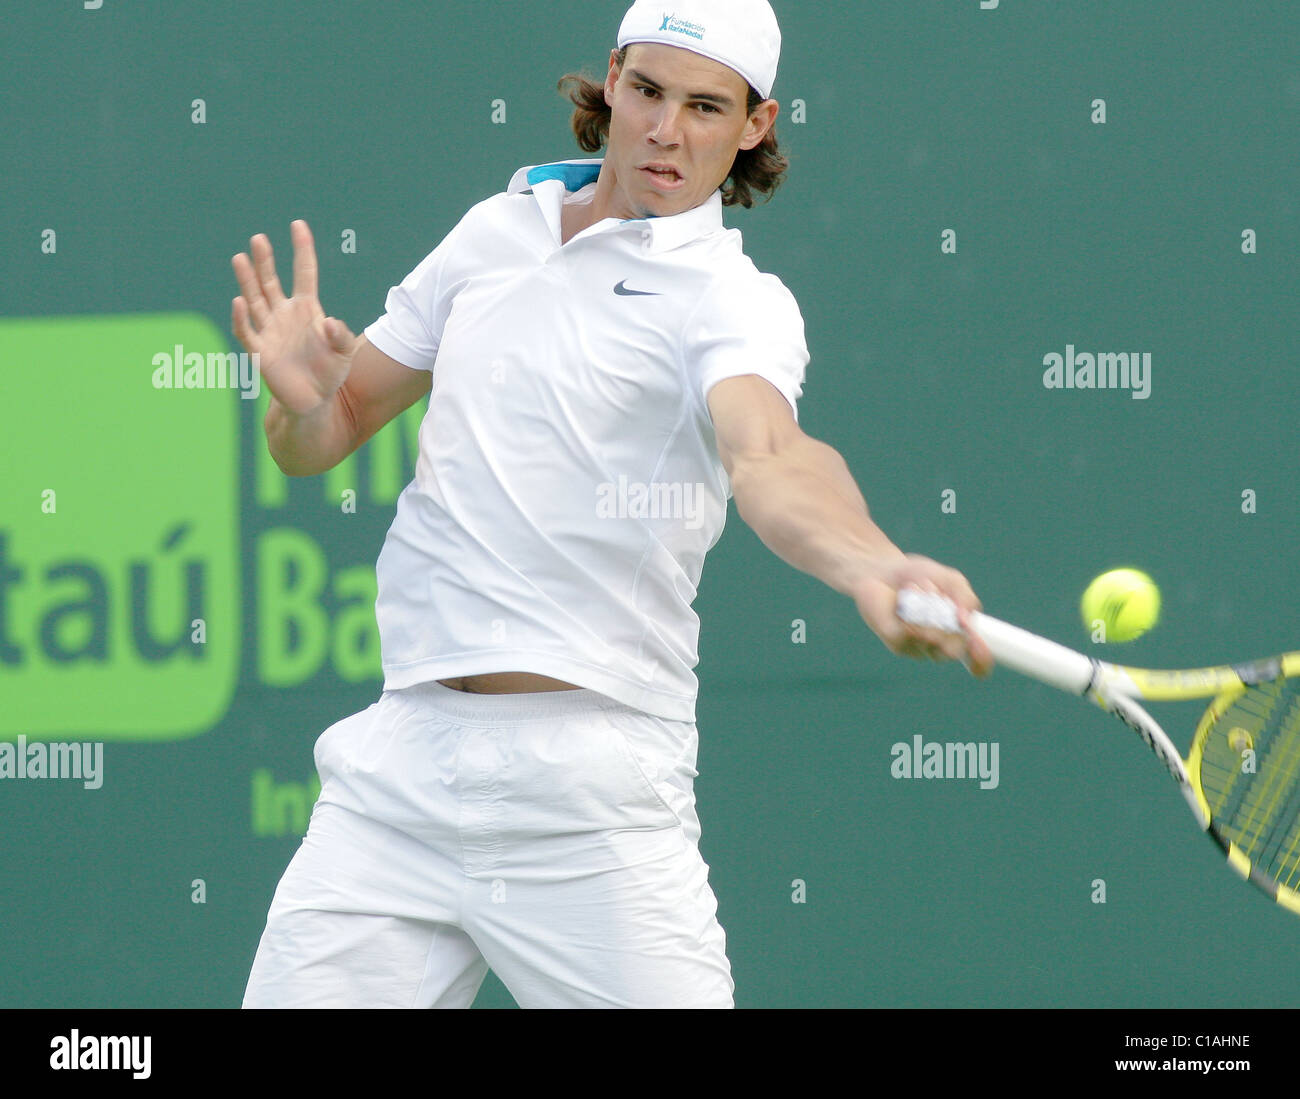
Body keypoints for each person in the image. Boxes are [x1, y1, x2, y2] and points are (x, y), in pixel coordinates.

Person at [231, 0, 992, 1009]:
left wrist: (871, 563)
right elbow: (327, 432)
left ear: (756, 125)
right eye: (647, 91)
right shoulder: (493, 233)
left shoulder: (731, 299)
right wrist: (294, 401)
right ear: (612, 79)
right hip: (399, 768)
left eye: (705, 107)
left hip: (590, 786)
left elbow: (769, 456)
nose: (666, 132)